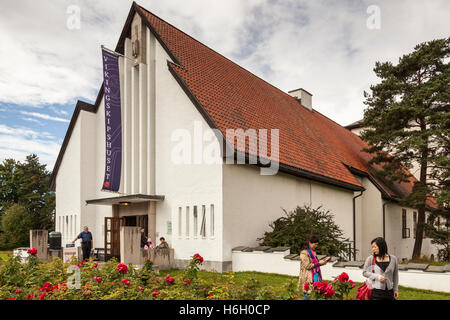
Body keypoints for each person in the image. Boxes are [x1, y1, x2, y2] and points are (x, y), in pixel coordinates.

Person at [298, 235, 331, 299]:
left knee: (316, 295)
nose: (316, 246)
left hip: (316, 276)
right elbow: (307, 266)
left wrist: (324, 262)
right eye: (315, 244)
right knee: (307, 295)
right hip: (308, 277)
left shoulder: (313, 252)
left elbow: (316, 264)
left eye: (317, 244)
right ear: (310, 243)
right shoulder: (304, 253)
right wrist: (319, 263)